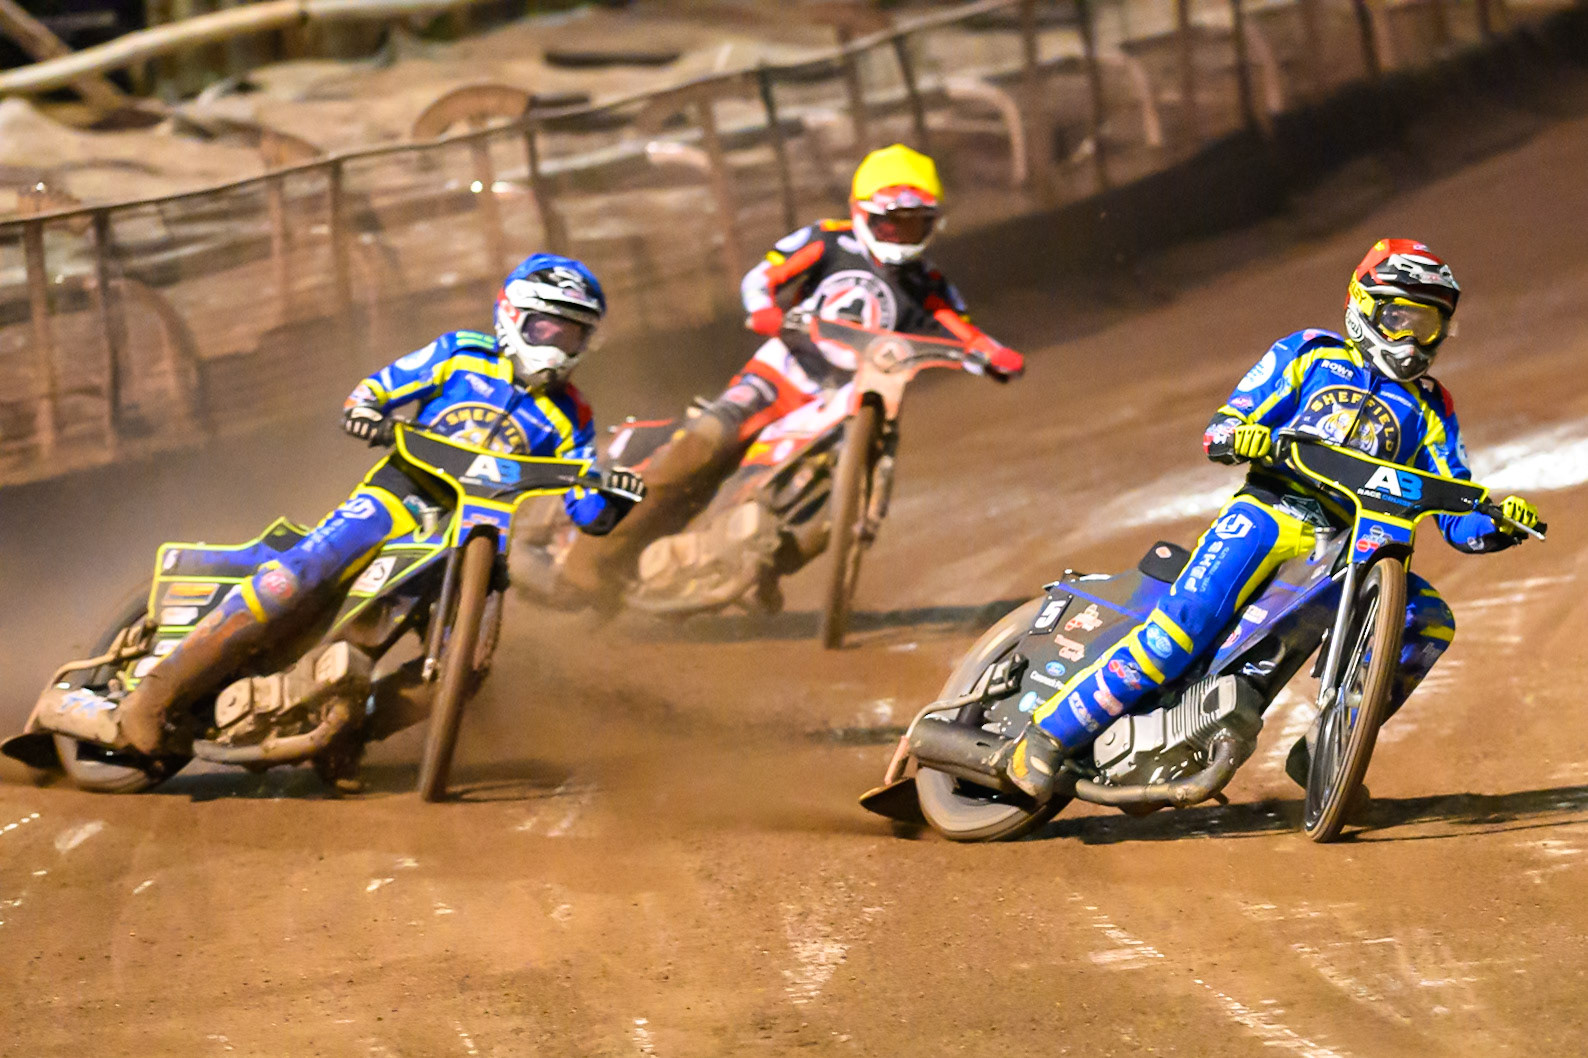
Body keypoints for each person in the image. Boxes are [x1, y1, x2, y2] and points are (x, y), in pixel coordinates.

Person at [43, 254, 645, 760]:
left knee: (469, 675)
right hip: (401, 496)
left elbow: (586, 506)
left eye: (574, 334)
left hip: (480, 534)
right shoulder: (462, 353)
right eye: (549, 328)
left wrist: (614, 501)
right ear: (513, 317)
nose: (560, 346)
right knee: (303, 571)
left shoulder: (575, 414)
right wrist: (368, 412)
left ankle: (350, 732)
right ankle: (154, 696)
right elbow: (377, 388)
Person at [1001, 238, 1541, 801]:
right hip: (1270, 511)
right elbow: (1225, 425)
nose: (1411, 338)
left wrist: (1497, 521)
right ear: (1365, 306)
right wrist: (1241, 435)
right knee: (1182, 628)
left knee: (1429, 620)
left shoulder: (1434, 405)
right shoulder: (1310, 353)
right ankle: (1045, 737)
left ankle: (1328, 752)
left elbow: (1456, 506)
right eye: (1399, 317)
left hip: (1351, 543)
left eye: (1427, 324)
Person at [557, 143, 1026, 605]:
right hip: (779, 377)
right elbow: (762, 278)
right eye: (891, 223)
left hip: (848, 402)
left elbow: (961, 330)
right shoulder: (828, 241)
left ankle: (758, 567)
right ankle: (591, 554)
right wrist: (764, 311)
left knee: (842, 508)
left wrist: (992, 354)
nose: (901, 236)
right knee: (700, 447)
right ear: (863, 213)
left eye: (914, 225)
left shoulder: (928, 284)